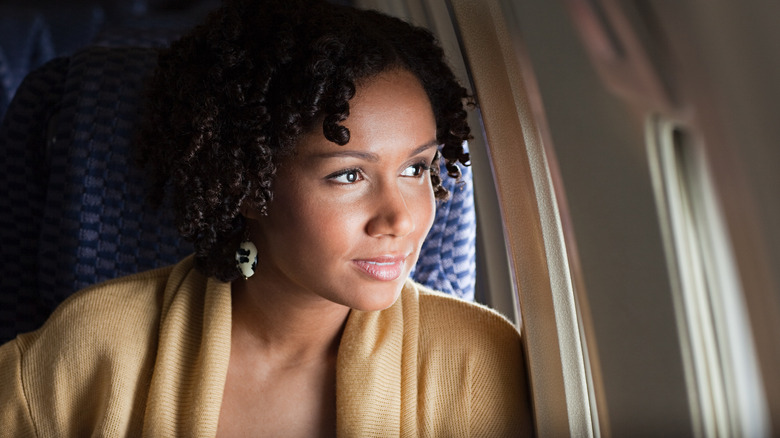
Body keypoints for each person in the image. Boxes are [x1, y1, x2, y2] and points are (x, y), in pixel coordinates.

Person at [0, 0, 533, 436]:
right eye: (349, 175)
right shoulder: (90, 349)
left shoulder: (481, 364)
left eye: (417, 168)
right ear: (250, 185)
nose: (400, 218)